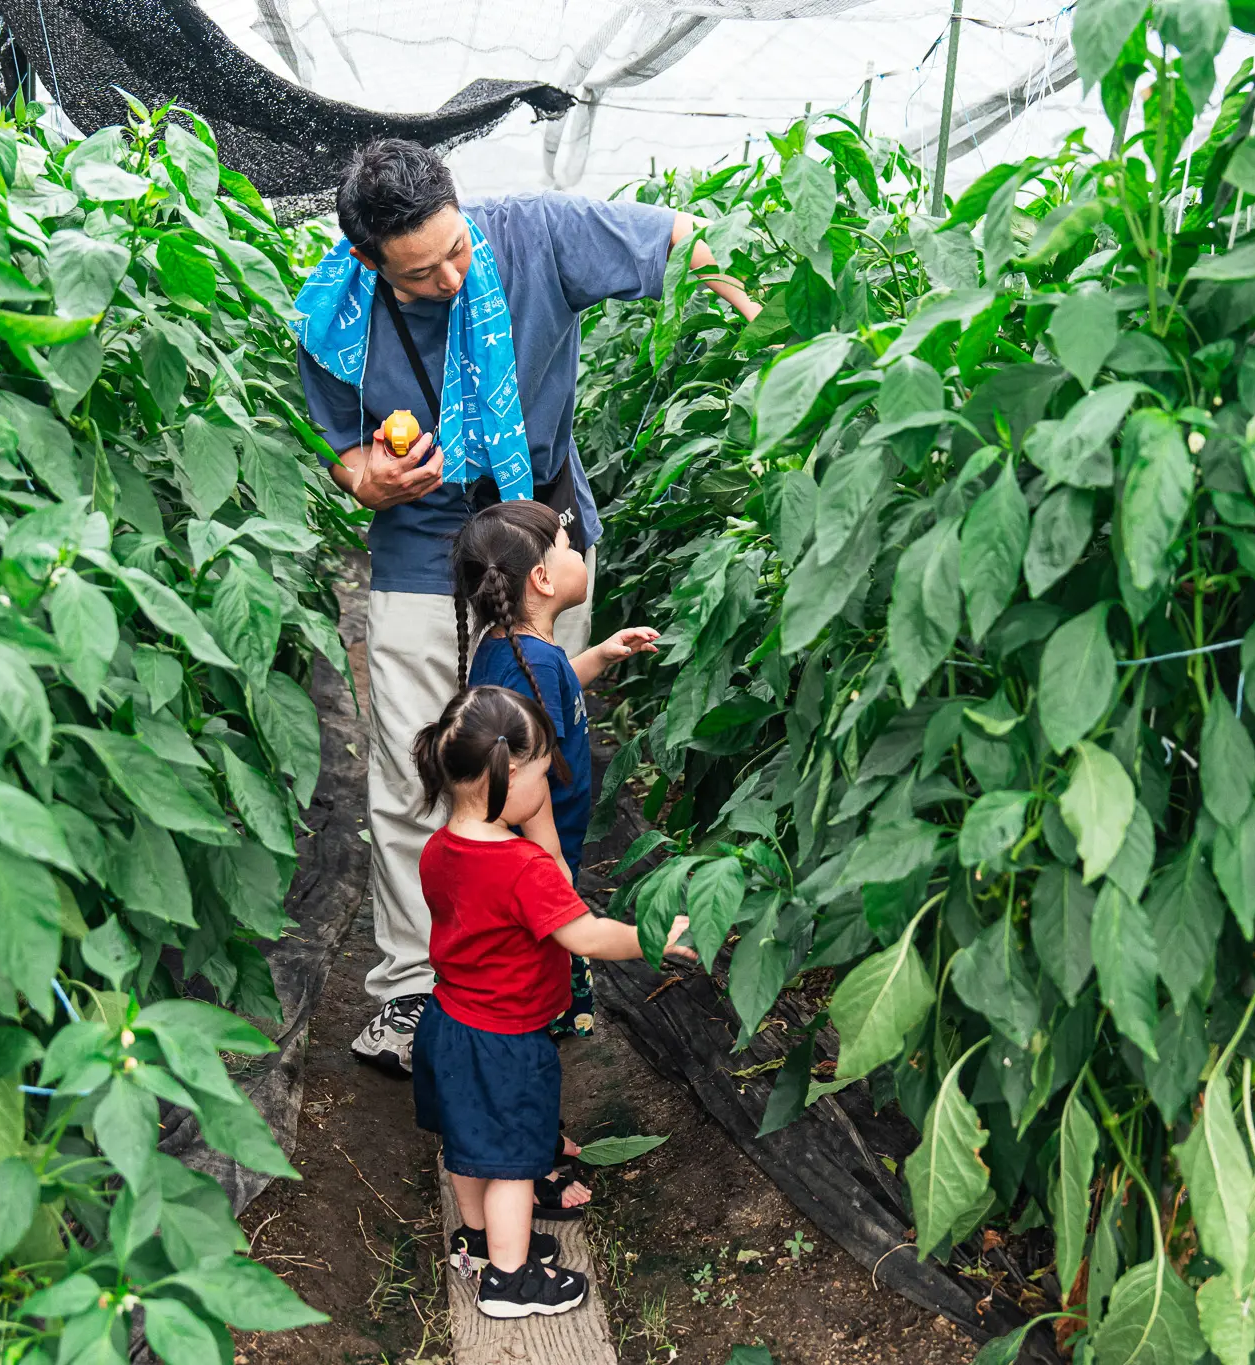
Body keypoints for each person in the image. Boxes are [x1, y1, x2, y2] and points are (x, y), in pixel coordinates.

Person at [289, 137, 756, 1074]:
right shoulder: (337, 312)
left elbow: (680, 236)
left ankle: (532, 972)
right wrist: (367, 477)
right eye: (421, 274)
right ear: (371, 263)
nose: (454, 277)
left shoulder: (537, 237)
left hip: (535, 540)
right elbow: (343, 447)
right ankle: (414, 989)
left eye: (456, 249)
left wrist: (753, 297)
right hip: (422, 550)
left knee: (537, 766)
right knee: (419, 767)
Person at [409, 685, 694, 1318]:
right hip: (506, 1041)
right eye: (542, 772)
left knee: (470, 1143)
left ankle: (479, 1242)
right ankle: (509, 1283)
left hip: (449, 1023)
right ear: (508, 775)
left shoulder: (439, 850)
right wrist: (658, 939)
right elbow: (585, 933)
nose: (550, 788)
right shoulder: (523, 869)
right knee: (513, 1161)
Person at [454, 501, 658, 1038]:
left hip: (520, 854)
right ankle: (526, 1054)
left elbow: (546, 697)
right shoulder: (533, 662)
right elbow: (526, 769)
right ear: (542, 579)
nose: (577, 551)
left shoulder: (518, 651)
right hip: (532, 857)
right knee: (537, 970)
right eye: (567, 546)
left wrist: (599, 657)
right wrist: (551, 861)